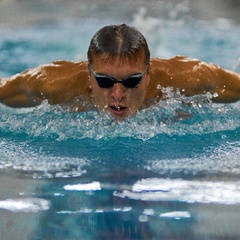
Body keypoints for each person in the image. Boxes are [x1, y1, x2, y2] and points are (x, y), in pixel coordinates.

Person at [0, 24, 239, 119]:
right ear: (88, 74)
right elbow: (5, 91)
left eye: (132, 81)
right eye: (104, 81)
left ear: (149, 73)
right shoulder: (54, 83)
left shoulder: (188, 77)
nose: (117, 94)